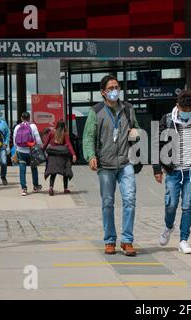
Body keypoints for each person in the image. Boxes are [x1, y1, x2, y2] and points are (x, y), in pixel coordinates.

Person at [83, 75, 140, 257]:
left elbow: (136, 129)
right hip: (105, 164)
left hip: (126, 162)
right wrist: (91, 155)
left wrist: (135, 133)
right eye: (111, 88)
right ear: (103, 92)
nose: (115, 90)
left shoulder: (128, 109)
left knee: (129, 199)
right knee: (108, 203)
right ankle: (109, 240)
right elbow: (88, 136)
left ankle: (127, 240)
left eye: (117, 86)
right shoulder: (96, 111)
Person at [153, 90, 191, 254]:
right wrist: (157, 169)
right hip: (173, 171)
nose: (187, 113)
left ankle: (183, 240)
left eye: (189, 110)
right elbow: (156, 144)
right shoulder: (167, 120)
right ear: (177, 105)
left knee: (188, 205)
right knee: (171, 204)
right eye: (184, 109)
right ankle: (168, 226)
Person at [42, 119, 77, 196]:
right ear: (64, 126)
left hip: (52, 156)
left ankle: (51, 187)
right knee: (65, 171)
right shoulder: (65, 134)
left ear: (57, 125)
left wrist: (41, 152)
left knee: (53, 173)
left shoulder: (51, 133)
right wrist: (73, 154)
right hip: (62, 156)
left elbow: (45, 144)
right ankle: (65, 188)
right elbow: (69, 145)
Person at [13, 112, 43, 196]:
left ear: (21, 118)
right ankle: (36, 186)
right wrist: (40, 147)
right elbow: (38, 138)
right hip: (31, 151)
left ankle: (24, 189)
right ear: (29, 118)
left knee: (22, 170)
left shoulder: (17, 127)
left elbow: (15, 140)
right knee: (34, 168)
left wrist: (17, 149)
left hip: (21, 152)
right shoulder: (33, 126)